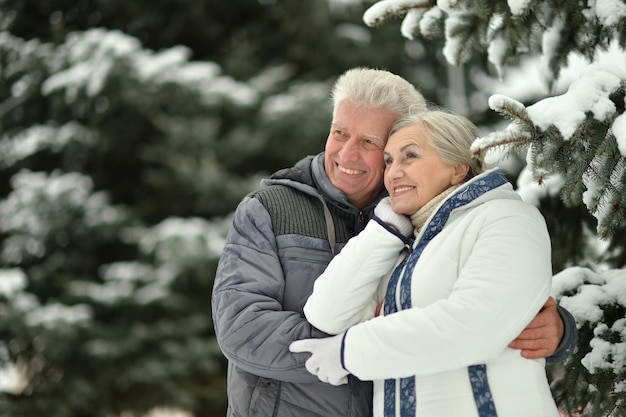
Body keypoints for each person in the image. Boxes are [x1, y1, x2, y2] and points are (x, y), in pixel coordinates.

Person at [212, 68, 577, 417]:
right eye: (340, 132)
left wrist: (557, 330)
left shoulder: (427, 219)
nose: (347, 153)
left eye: (371, 142)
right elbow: (243, 330)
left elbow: (486, 301)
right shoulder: (273, 209)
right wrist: (354, 349)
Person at [290, 110, 561, 416]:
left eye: (411, 156)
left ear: (458, 168)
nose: (393, 173)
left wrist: (349, 351)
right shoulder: (406, 248)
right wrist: (383, 231)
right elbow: (326, 313)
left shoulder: (506, 219)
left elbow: (469, 328)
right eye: (389, 161)